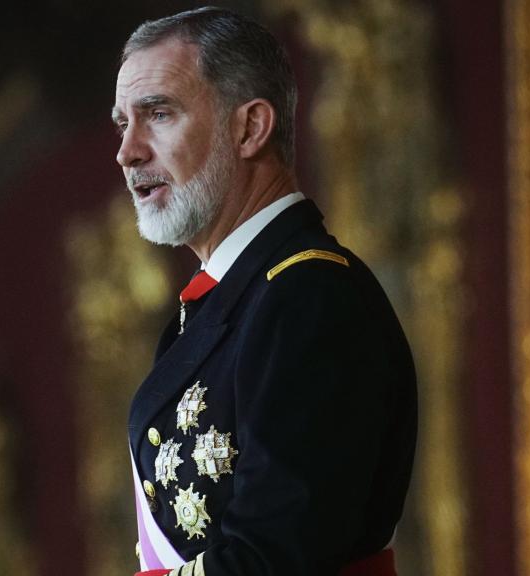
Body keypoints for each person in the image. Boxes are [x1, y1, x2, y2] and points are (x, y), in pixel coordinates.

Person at [112, 7, 417, 576]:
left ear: (250, 127)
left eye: (157, 114)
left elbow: (274, 558)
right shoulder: (231, 299)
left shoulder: (309, 298)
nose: (128, 151)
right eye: (122, 124)